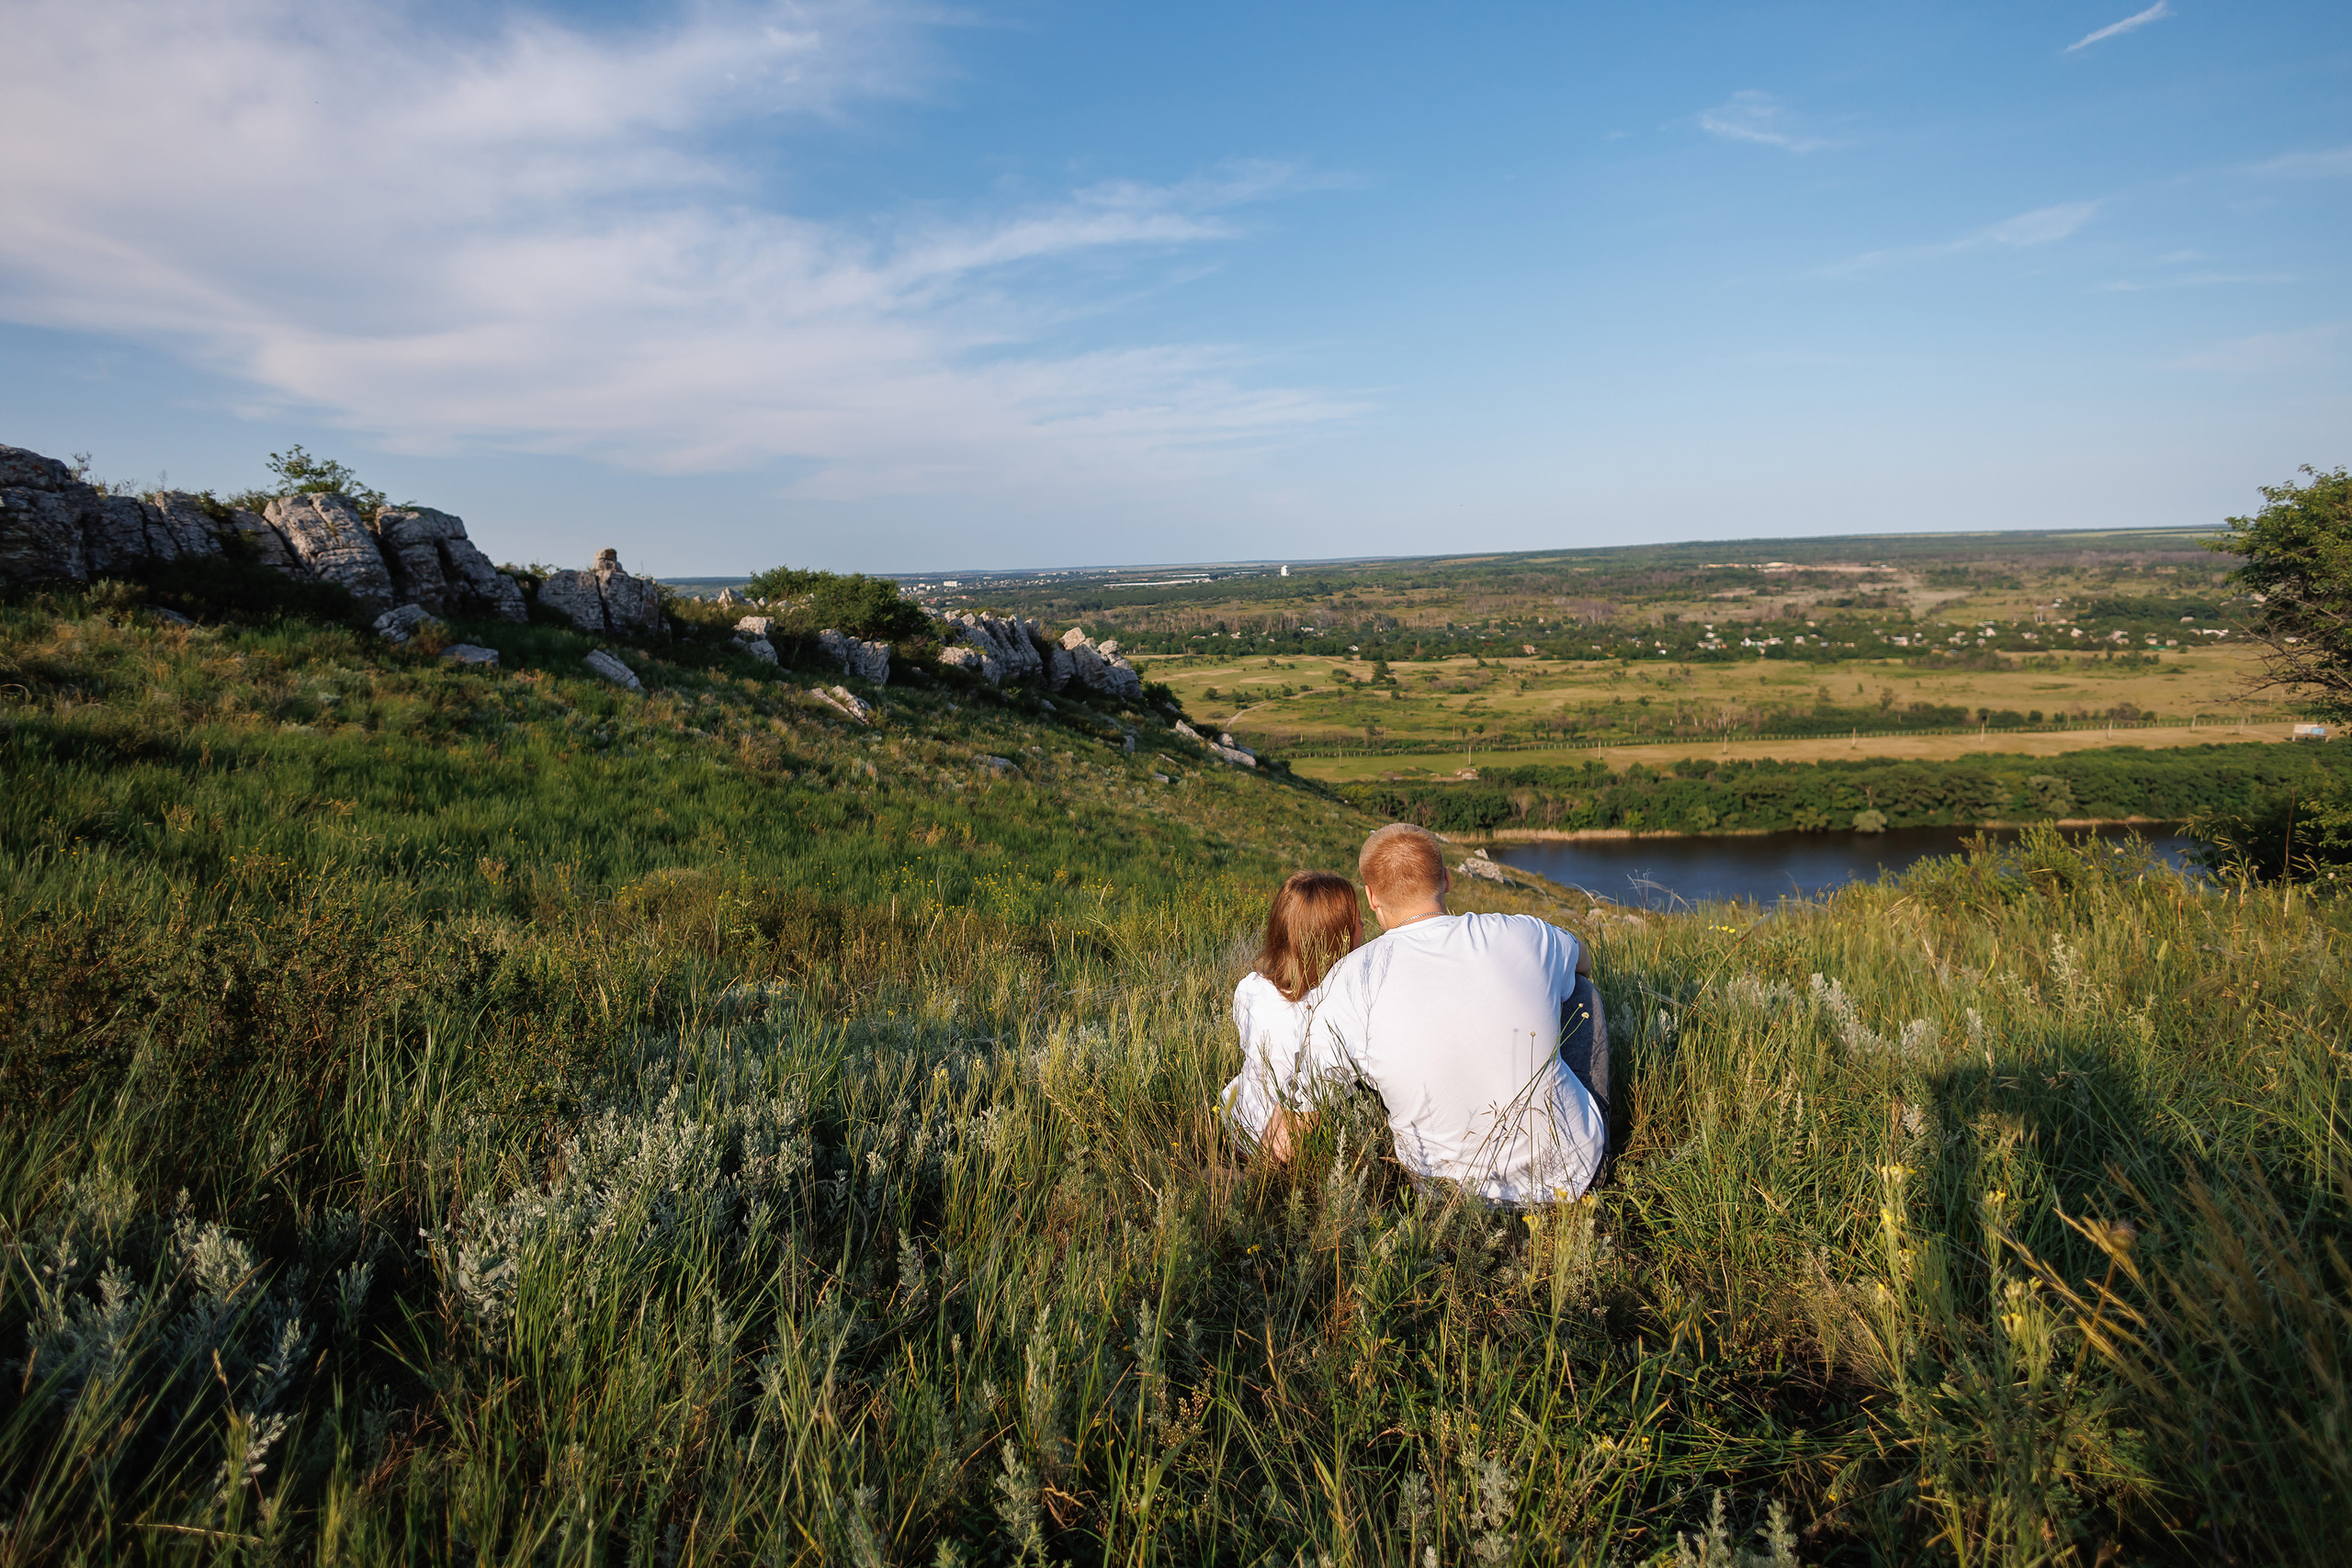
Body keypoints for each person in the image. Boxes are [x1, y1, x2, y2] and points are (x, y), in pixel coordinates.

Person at [1268, 823, 1609, 1206]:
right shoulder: (1522, 932)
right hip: (1572, 1177)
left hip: (1446, 1199)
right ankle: (1594, 1120)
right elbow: (1584, 959)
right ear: (1446, 880)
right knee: (1581, 990)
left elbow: (1287, 1137)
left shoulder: (1347, 981)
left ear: (1372, 897)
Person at [1217, 870, 1363, 1155]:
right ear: (1336, 939)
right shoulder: (1331, 1010)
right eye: (1356, 920)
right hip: (1282, 1145)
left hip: (1237, 1118)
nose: (1362, 924)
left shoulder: (1251, 988)